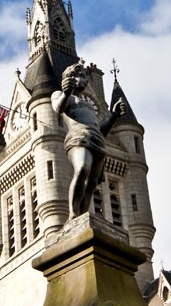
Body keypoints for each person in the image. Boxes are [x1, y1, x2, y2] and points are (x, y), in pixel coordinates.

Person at [52, 60, 127, 221]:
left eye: (85, 76)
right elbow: (58, 108)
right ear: (70, 76)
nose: (84, 79)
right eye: (80, 75)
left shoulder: (88, 103)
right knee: (82, 168)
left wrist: (114, 116)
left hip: (97, 140)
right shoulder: (60, 95)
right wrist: (66, 92)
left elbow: (101, 130)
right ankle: (73, 214)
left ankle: (83, 216)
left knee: (92, 184)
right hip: (79, 137)